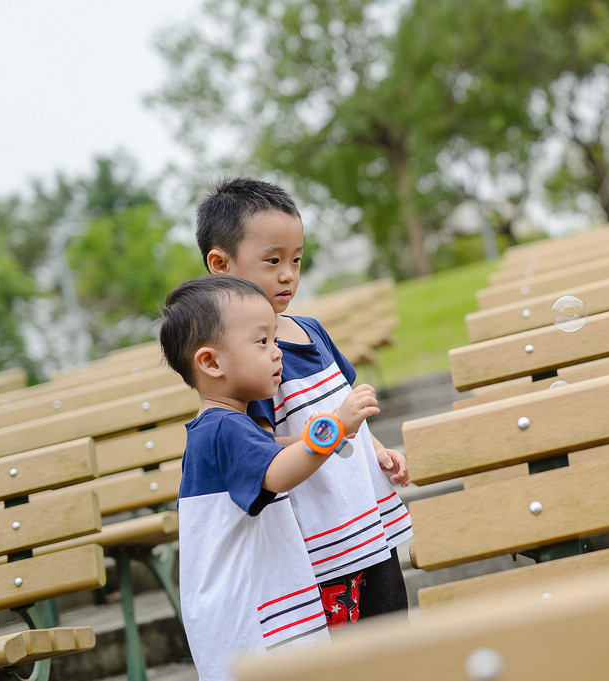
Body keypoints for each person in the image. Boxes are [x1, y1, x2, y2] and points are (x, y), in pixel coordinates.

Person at [194, 179, 413, 630]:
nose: (288, 274)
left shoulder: (311, 330)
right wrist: (334, 430)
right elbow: (262, 448)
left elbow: (350, 416)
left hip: (367, 521)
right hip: (322, 544)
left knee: (394, 638)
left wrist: (379, 453)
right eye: (272, 260)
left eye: (296, 260)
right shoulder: (251, 362)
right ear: (221, 263)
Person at [160, 275, 383, 679]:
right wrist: (332, 427)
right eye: (262, 342)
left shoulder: (223, 428)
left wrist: (333, 432)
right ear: (210, 362)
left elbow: (280, 449)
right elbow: (279, 473)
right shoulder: (223, 429)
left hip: (248, 618)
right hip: (255, 623)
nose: (278, 352)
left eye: (275, 340)